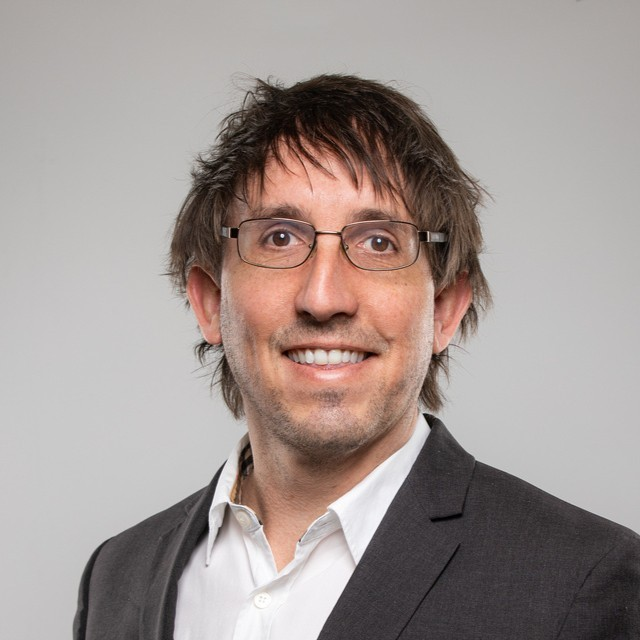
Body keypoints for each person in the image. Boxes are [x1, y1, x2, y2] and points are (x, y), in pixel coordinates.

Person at [73, 74, 639, 640]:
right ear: (210, 302)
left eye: (378, 242)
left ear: (444, 309)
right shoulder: (116, 575)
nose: (323, 298)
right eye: (279, 238)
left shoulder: (584, 582)